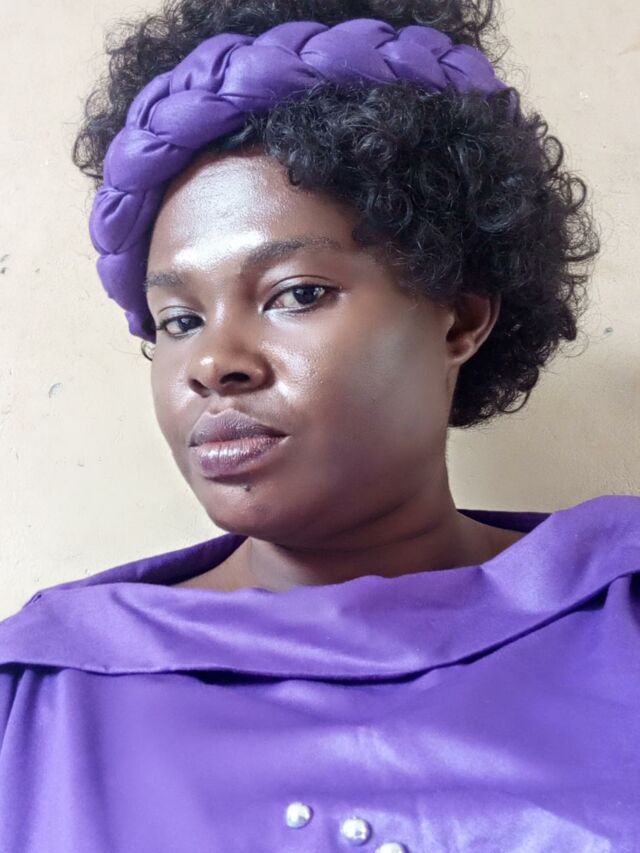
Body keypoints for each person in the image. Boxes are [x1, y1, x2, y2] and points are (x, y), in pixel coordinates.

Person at [1, 1, 638, 850]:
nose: (212, 362)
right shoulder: (41, 699)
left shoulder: (615, 610)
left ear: (458, 318)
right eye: (178, 320)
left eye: (296, 294)